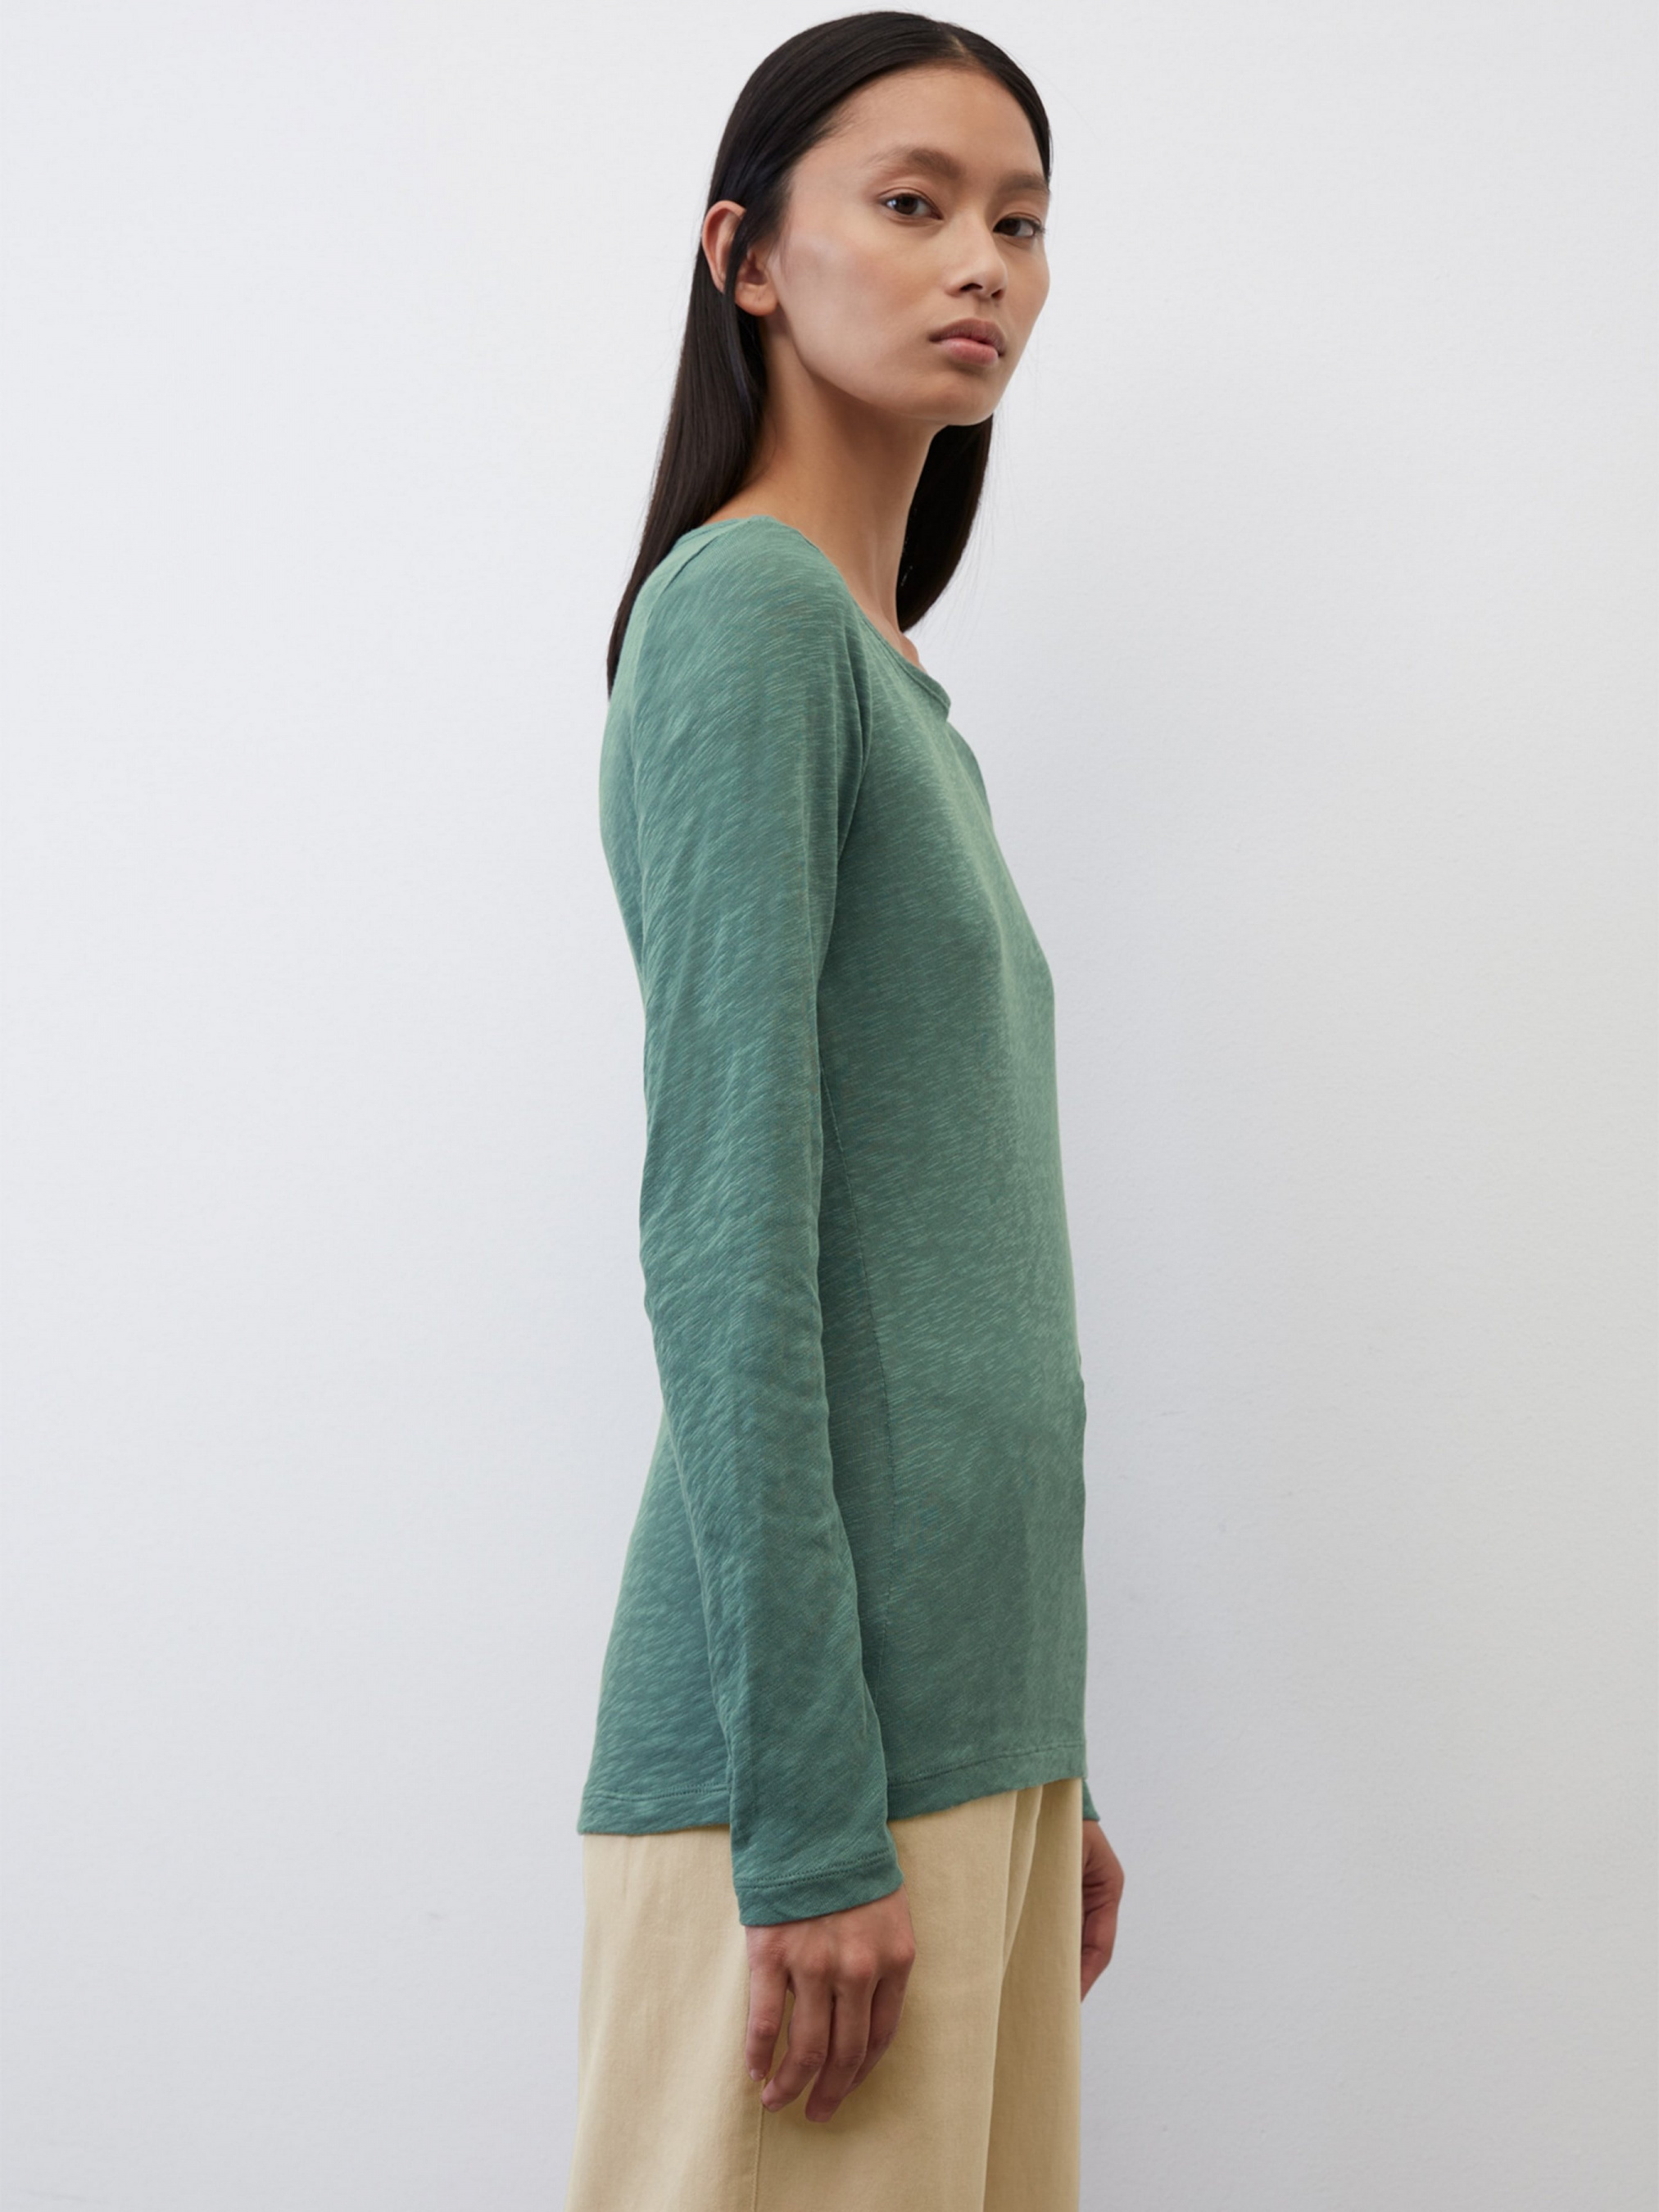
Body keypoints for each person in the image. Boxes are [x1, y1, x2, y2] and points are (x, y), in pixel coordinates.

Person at [565, 14, 1125, 2208]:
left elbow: (948, 1263)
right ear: (747, 258)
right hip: (812, 1797)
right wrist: (807, 1815)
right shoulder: (745, 622)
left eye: (1020, 221)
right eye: (912, 203)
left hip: (960, 1746)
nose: (982, 260)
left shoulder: (891, 685)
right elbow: (729, 1231)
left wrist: (1047, 1750)